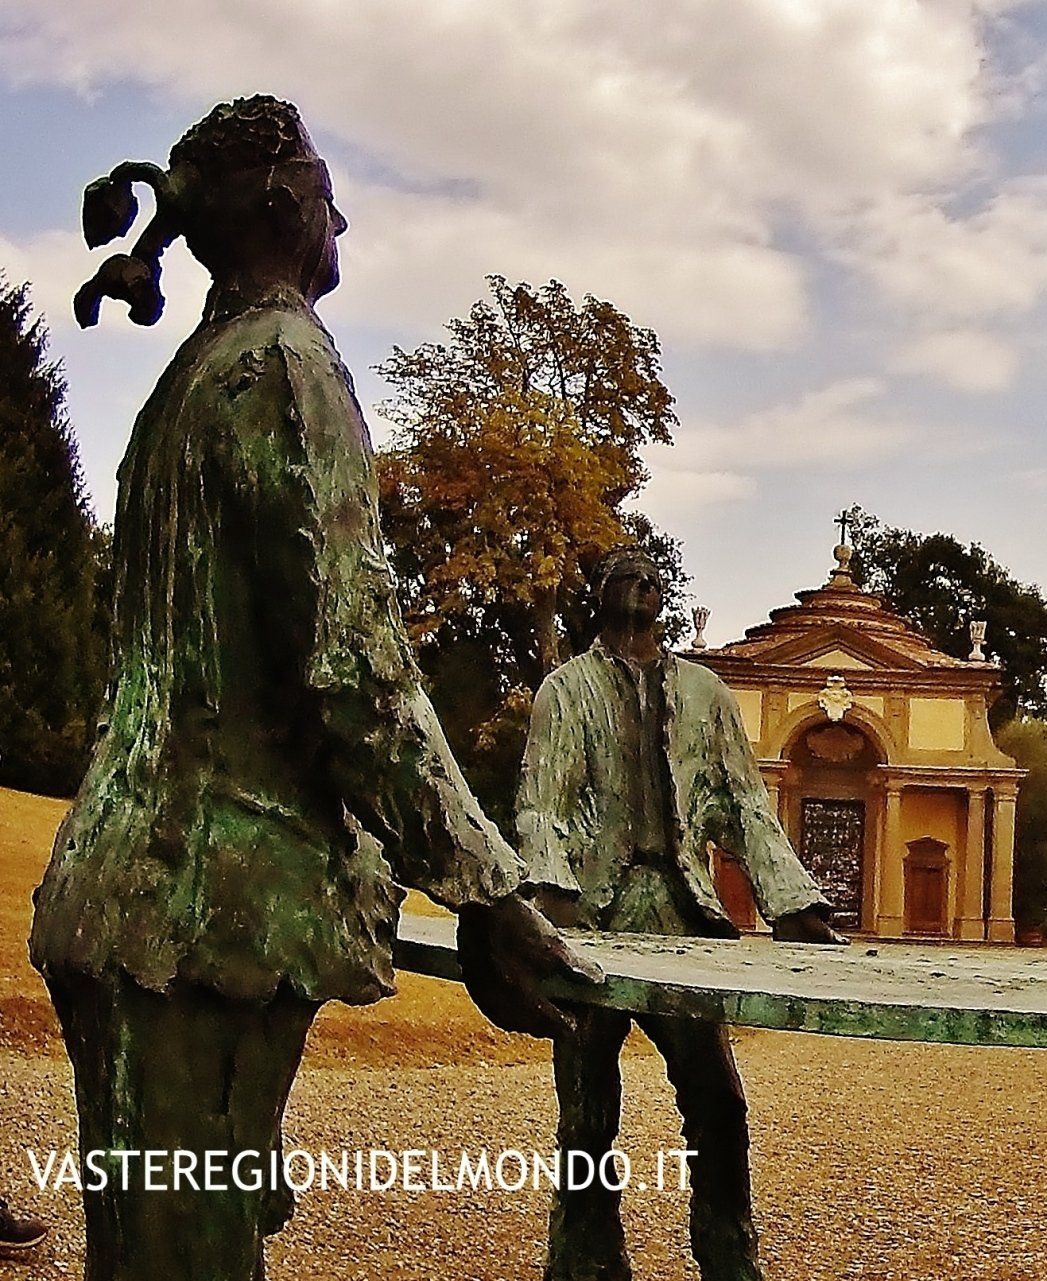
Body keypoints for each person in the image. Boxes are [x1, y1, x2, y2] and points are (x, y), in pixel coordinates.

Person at [32, 96, 599, 1281]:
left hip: (132, 898)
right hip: (204, 917)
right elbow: (351, 667)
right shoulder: (287, 367)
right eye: (332, 195)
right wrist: (488, 894)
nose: (344, 221)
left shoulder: (194, 377)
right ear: (289, 201)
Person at [518, 545, 845, 1281]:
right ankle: (586, 1259)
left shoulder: (706, 693)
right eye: (626, 573)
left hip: (682, 913)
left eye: (652, 575)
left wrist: (791, 902)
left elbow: (745, 804)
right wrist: (552, 894)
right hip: (594, 919)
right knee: (586, 1109)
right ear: (601, 592)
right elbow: (541, 803)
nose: (643, 582)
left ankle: (729, 1256)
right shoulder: (564, 691)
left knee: (718, 1100)